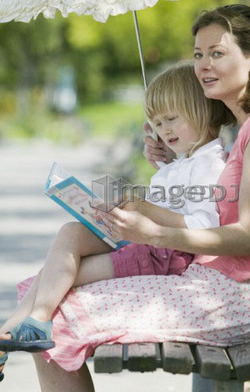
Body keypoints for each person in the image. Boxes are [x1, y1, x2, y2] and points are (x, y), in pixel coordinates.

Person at [0, 4, 250, 392]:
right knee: (44, 305)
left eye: (216, 53)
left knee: (56, 320)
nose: (203, 65)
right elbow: (217, 195)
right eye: (198, 54)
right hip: (212, 283)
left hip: (232, 296)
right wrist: (171, 163)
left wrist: (154, 231)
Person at [0, 61, 228, 354]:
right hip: (143, 242)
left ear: (203, 110)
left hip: (162, 254)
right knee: (70, 233)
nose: (164, 130)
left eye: (171, 119)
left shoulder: (209, 164)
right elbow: (171, 196)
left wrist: (142, 208)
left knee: (61, 272)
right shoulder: (186, 161)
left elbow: (204, 226)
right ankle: (10, 332)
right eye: (157, 123)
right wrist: (162, 166)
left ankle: (27, 327)